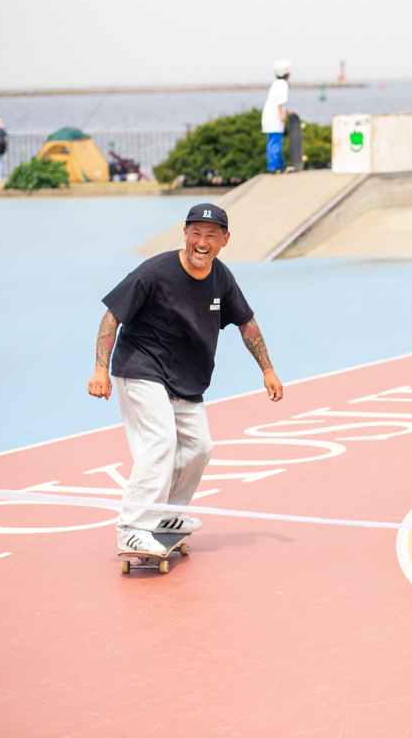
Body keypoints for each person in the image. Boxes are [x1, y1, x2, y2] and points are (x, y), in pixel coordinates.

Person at [88, 204, 284, 555]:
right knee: (161, 441)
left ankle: (165, 515)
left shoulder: (221, 277)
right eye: (196, 233)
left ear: (225, 240)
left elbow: (247, 323)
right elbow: (112, 316)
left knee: (199, 447)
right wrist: (100, 368)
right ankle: (132, 527)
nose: (202, 242)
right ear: (184, 233)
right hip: (141, 368)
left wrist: (267, 369)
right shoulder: (155, 272)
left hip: (185, 378)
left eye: (211, 235)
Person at [263, 60, 291, 173]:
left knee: (273, 142)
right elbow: (280, 101)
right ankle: (275, 167)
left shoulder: (276, 83)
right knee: (275, 143)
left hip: (270, 117)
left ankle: (278, 165)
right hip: (274, 119)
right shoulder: (283, 84)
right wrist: (282, 115)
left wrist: (286, 112)